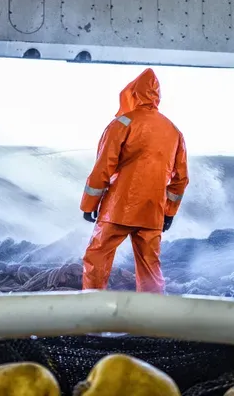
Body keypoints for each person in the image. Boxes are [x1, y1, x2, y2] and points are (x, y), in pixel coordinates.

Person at [79, 68, 189, 294]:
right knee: (150, 266)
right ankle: (152, 318)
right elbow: (180, 180)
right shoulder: (174, 131)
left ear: (133, 93)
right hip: (153, 211)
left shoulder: (122, 123)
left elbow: (103, 168)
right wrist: (168, 213)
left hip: (118, 209)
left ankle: (93, 311)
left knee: (97, 256)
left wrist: (89, 205)